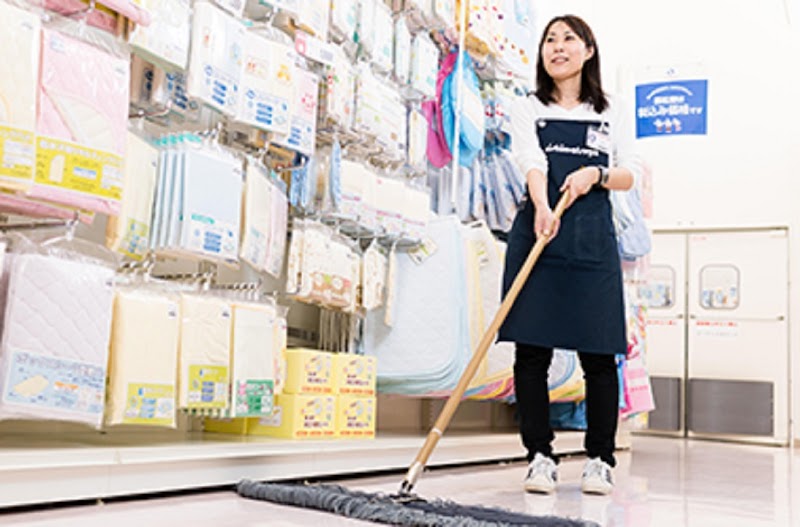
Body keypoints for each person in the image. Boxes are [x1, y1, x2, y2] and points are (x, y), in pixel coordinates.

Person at [499, 14, 642, 495]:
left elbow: (630, 172)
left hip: (591, 237)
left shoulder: (612, 109)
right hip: (540, 230)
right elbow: (530, 161)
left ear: (588, 50)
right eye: (549, 40)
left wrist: (593, 176)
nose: (557, 47)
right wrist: (542, 206)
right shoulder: (527, 107)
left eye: (568, 39)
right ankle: (539, 456)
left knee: (599, 353)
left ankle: (600, 458)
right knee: (531, 350)